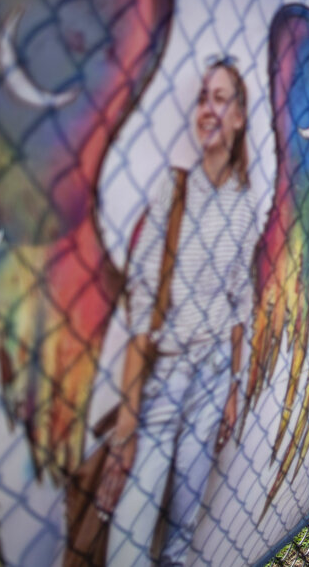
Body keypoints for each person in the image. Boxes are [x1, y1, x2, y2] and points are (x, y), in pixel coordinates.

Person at [96, 58, 257, 565]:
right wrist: (127, 422)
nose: (207, 108)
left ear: (239, 118)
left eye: (220, 98)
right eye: (202, 98)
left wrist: (233, 388)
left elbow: (239, 305)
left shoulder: (245, 205)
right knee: (128, 544)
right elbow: (142, 302)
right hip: (165, 376)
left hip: (214, 376)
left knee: (181, 535)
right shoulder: (174, 188)